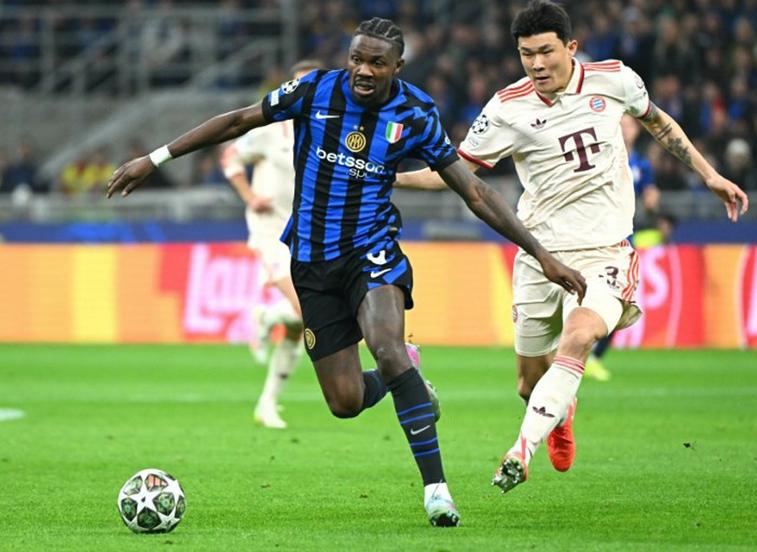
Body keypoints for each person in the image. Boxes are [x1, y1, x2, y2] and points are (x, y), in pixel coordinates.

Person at [107, 17, 586, 526]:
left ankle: (437, 492)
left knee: (387, 346)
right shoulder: (314, 89)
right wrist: (154, 158)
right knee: (345, 401)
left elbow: (475, 191)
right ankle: (409, 376)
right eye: (356, 58)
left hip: (371, 251)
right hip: (312, 262)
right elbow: (238, 121)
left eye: (376, 63)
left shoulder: (416, 113)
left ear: (397, 67)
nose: (362, 70)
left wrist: (541, 254)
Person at [395, 1, 748, 494]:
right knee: (527, 383)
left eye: (545, 52)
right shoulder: (505, 108)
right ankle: (559, 415)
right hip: (541, 254)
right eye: (526, 55)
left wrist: (709, 175)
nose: (537, 64)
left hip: (605, 249)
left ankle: (521, 451)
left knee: (579, 337)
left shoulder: (615, 79)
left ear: (571, 48)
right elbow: (453, 174)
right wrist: (384, 176)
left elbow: (658, 121)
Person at [218, 60, 322, 430]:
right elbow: (229, 156)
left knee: (298, 325)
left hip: (306, 235)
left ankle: (267, 403)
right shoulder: (269, 129)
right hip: (269, 231)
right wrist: (248, 195)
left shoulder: (325, 132)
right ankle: (267, 315)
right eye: (297, 85)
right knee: (306, 310)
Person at [584, 113, 661, 382]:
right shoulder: (601, 156)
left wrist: (652, 199)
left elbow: (649, 193)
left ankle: (593, 357)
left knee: (619, 304)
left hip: (625, 239)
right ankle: (574, 353)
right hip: (594, 238)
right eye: (621, 124)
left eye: (629, 124)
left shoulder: (641, 164)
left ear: (637, 130)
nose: (624, 129)